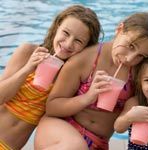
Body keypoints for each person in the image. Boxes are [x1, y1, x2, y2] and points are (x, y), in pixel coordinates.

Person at [34, 12, 148, 150]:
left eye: (141, 55)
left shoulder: (140, 71)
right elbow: (52, 107)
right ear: (119, 29)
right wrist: (87, 97)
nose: (130, 58)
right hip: (60, 127)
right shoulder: (85, 59)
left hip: (98, 141)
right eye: (131, 46)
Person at [0, 4, 101, 150]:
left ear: (86, 47)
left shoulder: (70, 76)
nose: (68, 44)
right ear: (57, 27)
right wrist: (28, 68)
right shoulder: (28, 52)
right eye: (66, 33)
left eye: (78, 41)